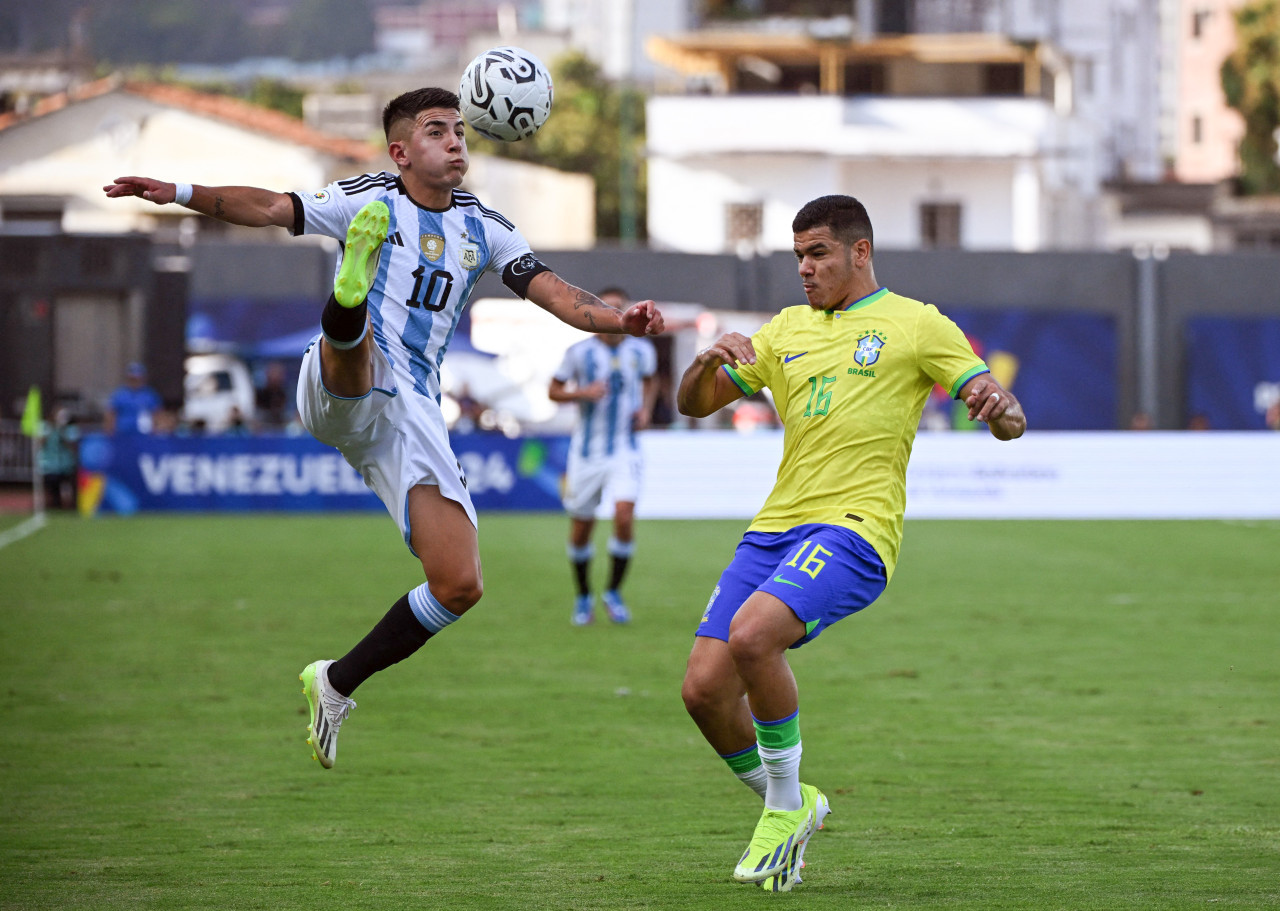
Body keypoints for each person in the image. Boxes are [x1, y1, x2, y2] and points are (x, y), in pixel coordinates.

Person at [103, 87, 664, 770]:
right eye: (437, 131)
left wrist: (619, 319)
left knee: (460, 583)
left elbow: (559, 295)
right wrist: (181, 191)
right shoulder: (370, 196)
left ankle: (335, 682)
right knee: (361, 353)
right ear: (400, 152)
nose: (456, 141)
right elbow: (270, 206)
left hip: (414, 415)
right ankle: (349, 298)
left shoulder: (487, 228)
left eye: (460, 130)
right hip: (343, 381)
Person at [676, 195, 1025, 892]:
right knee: (703, 691)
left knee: (752, 638)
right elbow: (696, 402)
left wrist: (1001, 407)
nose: (804, 269)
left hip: (855, 528)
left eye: (818, 254)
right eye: (798, 256)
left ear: (859, 252)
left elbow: (1001, 410)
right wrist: (702, 361)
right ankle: (796, 802)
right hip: (773, 528)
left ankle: (781, 807)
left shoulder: (916, 324)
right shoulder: (785, 330)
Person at [547, 287, 658, 625]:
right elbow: (553, 390)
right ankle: (583, 596)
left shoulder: (641, 350)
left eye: (619, 308)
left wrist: (645, 411)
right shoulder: (579, 352)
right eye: (607, 308)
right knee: (582, 528)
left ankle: (612, 592)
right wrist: (583, 392)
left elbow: (651, 382)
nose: (615, 314)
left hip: (625, 449)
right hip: (586, 453)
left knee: (624, 516)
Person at [103, 362, 161, 434]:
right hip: (122, 434)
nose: (135, 381)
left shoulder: (150, 395)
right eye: (132, 379)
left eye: (137, 379)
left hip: (143, 435)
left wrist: (155, 432)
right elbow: (111, 414)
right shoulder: (119, 394)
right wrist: (109, 431)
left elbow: (156, 415)